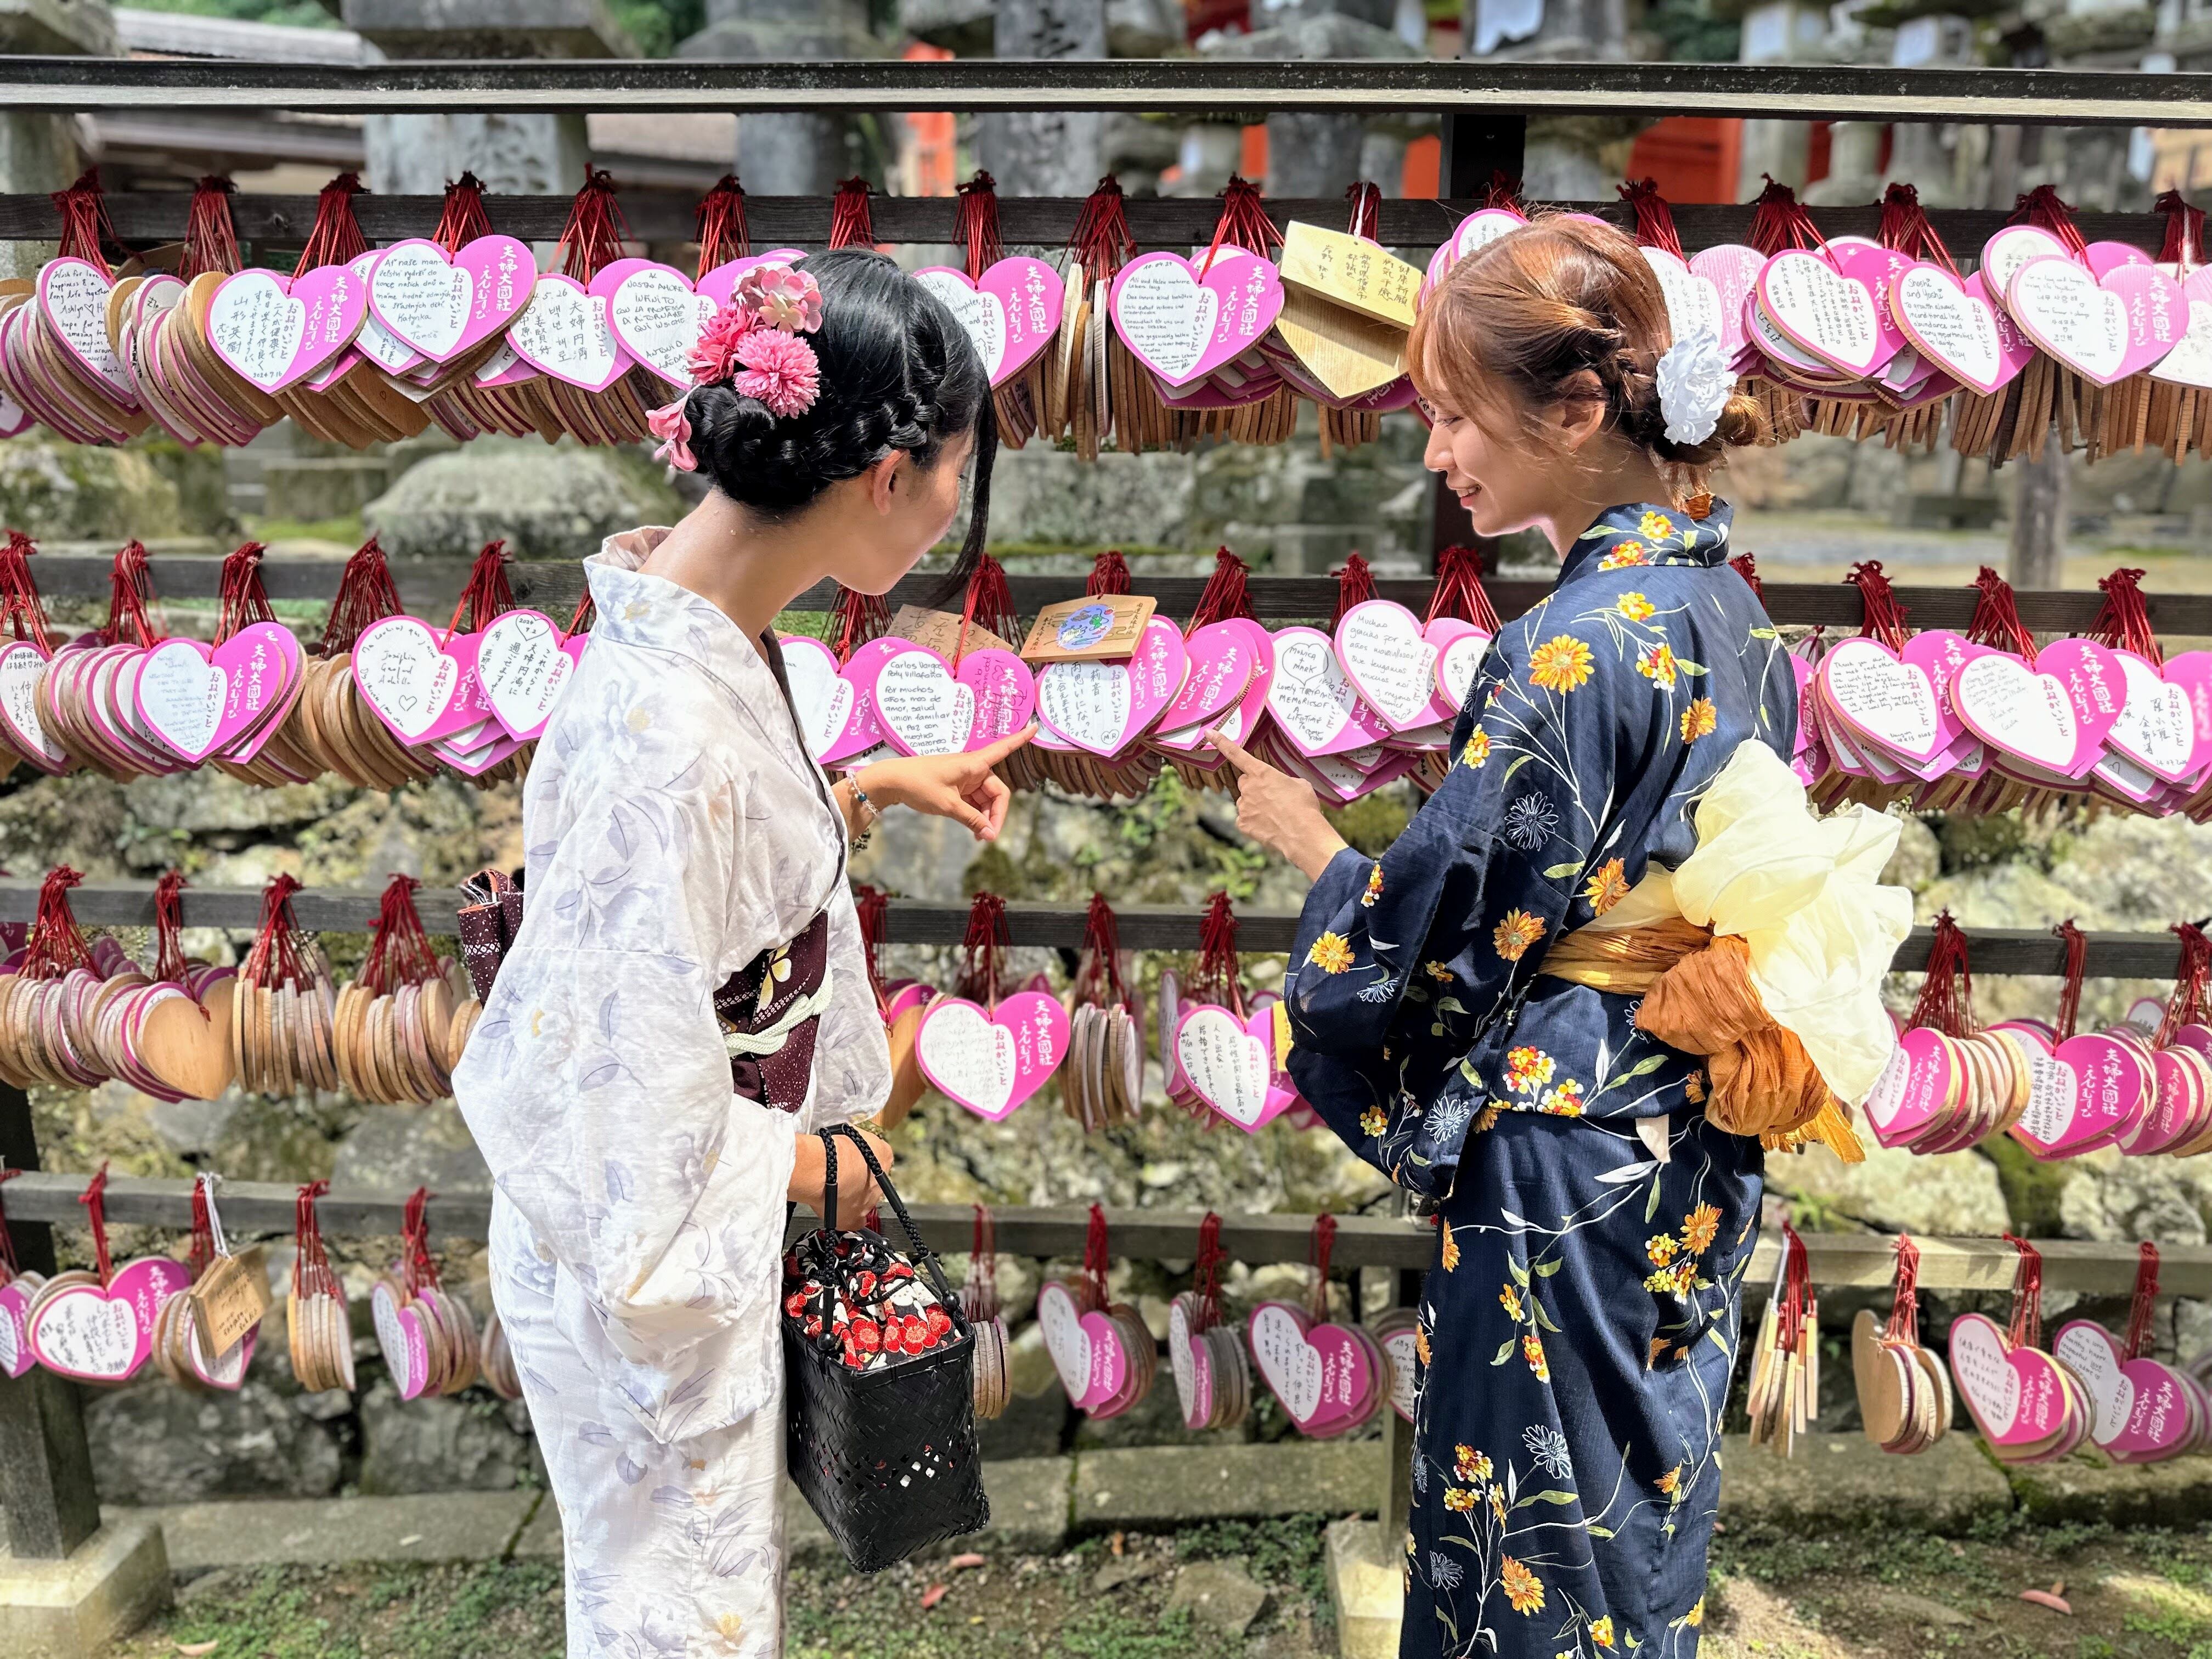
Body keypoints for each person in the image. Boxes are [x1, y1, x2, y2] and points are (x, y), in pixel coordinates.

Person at [1211, 217, 1905, 1656]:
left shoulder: (1581, 638)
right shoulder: (1726, 603)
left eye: (1457, 416)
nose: (1436, 452)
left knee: (1532, 1522)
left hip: (1570, 1140)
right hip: (1690, 1118)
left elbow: (1454, 923)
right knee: (1636, 1509)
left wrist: (1326, 862)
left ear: (1577, 410)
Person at [452, 250, 1033, 1659]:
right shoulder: (668, 724)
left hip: (657, 1196)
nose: (958, 507)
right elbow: (623, 1088)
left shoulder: (693, 626)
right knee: (678, 1618)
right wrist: (811, 1165)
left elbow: (703, 880)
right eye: (957, 471)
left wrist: (876, 786)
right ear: (886, 472)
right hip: (636, 1217)